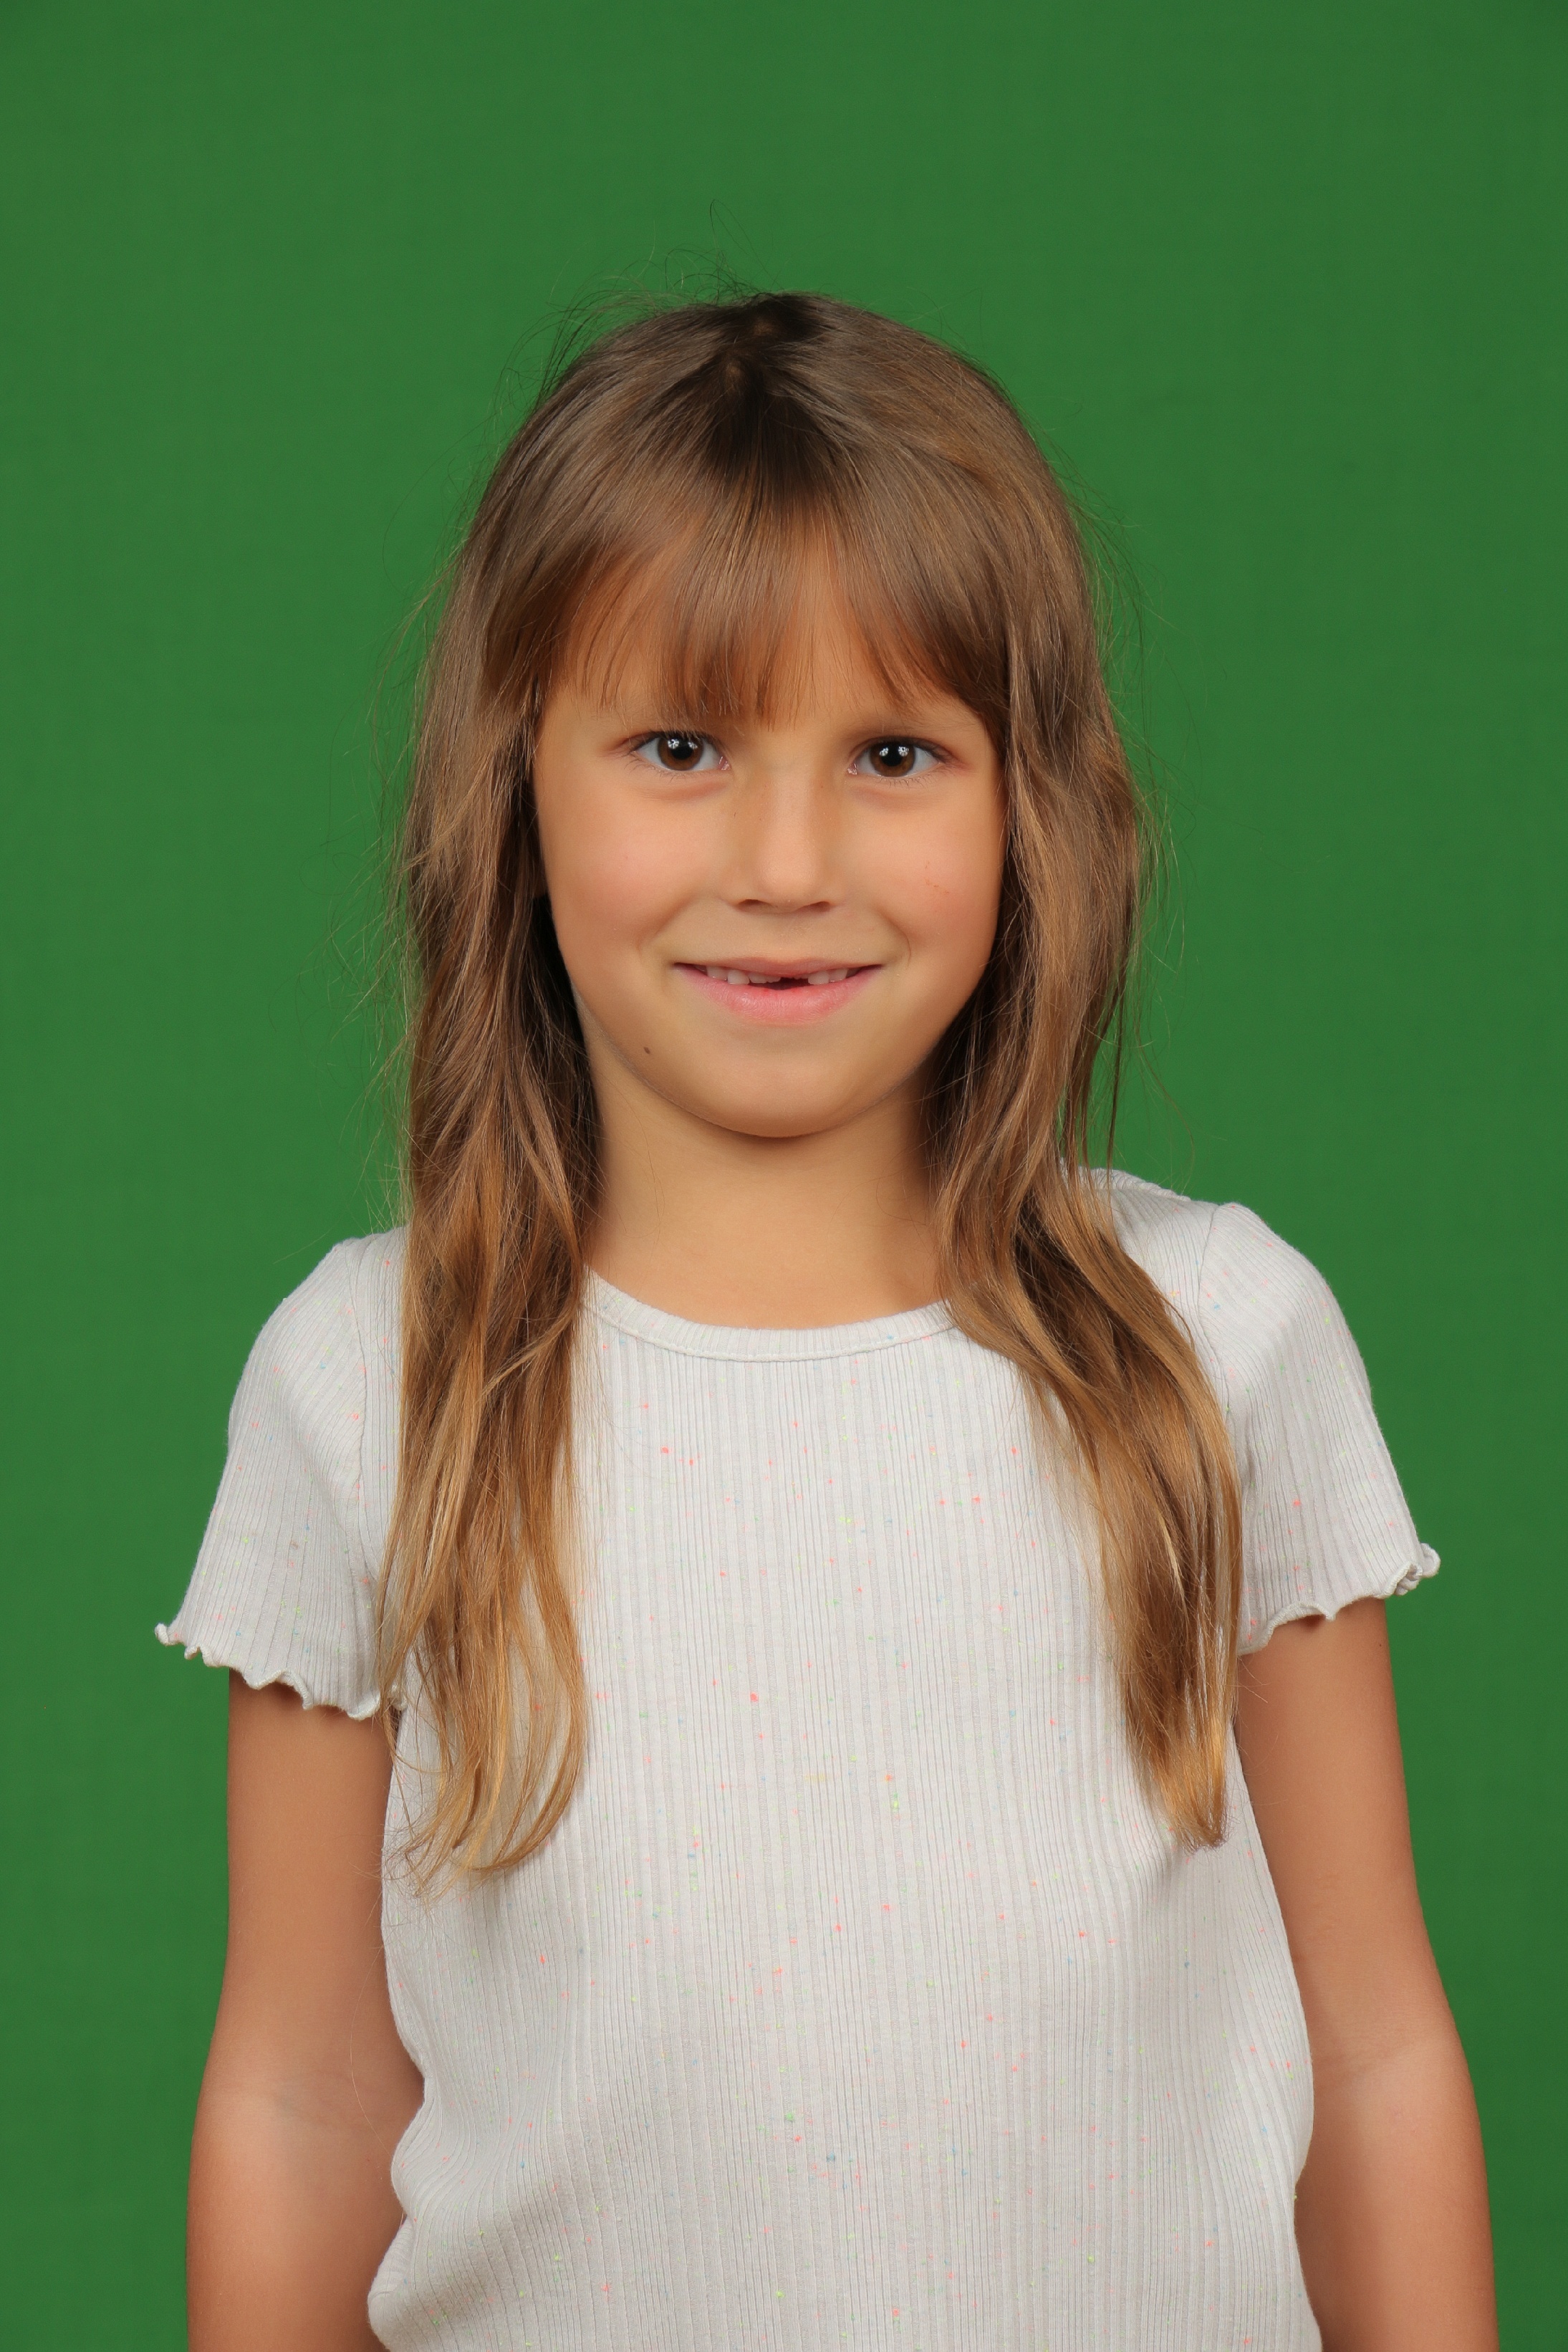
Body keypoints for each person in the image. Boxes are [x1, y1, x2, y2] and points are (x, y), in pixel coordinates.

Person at [158, 292, 1496, 2351]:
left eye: (892, 755)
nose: (786, 864)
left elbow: (1377, 2048)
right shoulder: (370, 1380)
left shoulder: (1222, 1344)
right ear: (518, 782)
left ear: (1029, 805)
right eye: (680, 747)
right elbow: (305, 2093)